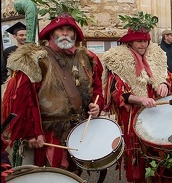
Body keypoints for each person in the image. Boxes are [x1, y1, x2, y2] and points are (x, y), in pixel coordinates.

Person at [1, 9, 103, 173]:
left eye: (70, 30)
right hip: (47, 132)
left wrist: (97, 105)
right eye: (60, 29)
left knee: (74, 174)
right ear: (51, 33)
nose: (65, 33)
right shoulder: (36, 59)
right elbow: (23, 100)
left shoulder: (87, 58)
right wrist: (32, 132)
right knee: (48, 177)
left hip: (79, 128)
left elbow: (97, 88)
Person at [102, 13, 169, 183]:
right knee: (138, 154)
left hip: (154, 111)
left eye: (145, 41)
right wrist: (140, 99)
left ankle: (155, 181)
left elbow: (164, 75)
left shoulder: (155, 57)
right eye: (138, 41)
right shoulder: (118, 62)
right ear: (130, 43)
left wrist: (164, 84)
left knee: (156, 149)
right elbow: (116, 93)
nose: (142, 45)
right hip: (132, 114)